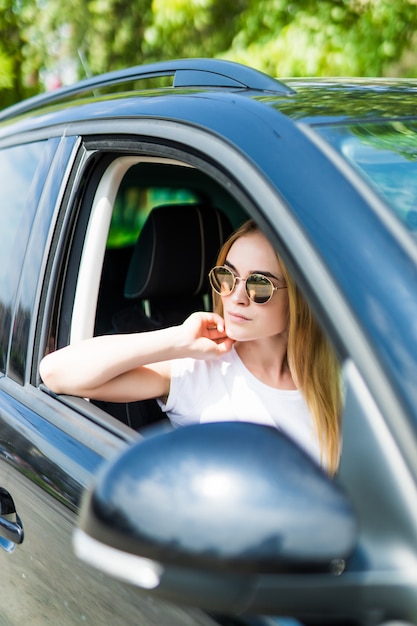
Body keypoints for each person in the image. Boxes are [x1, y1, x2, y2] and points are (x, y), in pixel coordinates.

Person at [40, 219, 342, 475]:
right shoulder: (199, 367)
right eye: (227, 276)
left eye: (259, 285)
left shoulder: (337, 381)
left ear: (300, 300)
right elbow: (55, 372)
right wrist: (176, 340)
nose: (236, 296)